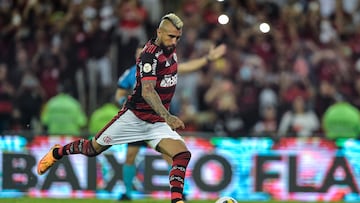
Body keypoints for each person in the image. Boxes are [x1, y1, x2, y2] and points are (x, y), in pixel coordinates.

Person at [37, 13, 226, 203]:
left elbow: (184, 68)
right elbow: (147, 91)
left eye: (178, 37)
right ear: (159, 32)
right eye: (171, 36)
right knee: (92, 148)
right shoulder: (149, 56)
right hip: (134, 118)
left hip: (156, 122)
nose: (174, 41)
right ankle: (57, 152)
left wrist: (207, 59)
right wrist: (167, 116)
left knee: (182, 154)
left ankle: (177, 200)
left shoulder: (170, 52)